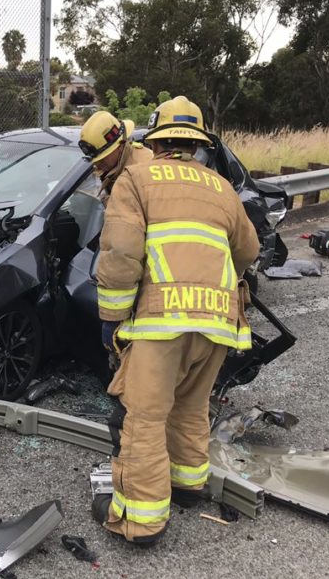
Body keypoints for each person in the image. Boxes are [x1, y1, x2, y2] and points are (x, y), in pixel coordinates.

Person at [92, 96, 260, 547]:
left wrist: (111, 317)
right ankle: (187, 487)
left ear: (158, 140)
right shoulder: (221, 187)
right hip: (218, 324)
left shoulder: (135, 179)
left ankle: (141, 521)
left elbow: (121, 254)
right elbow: (248, 251)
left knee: (144, 418)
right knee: (189, 407)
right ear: (197, 143)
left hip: (159, 324)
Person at [78, 110, 152, 200]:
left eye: (102, 159)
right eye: (95, 160)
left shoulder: (144, 168)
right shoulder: (113, 164)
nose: (97, 164)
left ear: (119, 145)